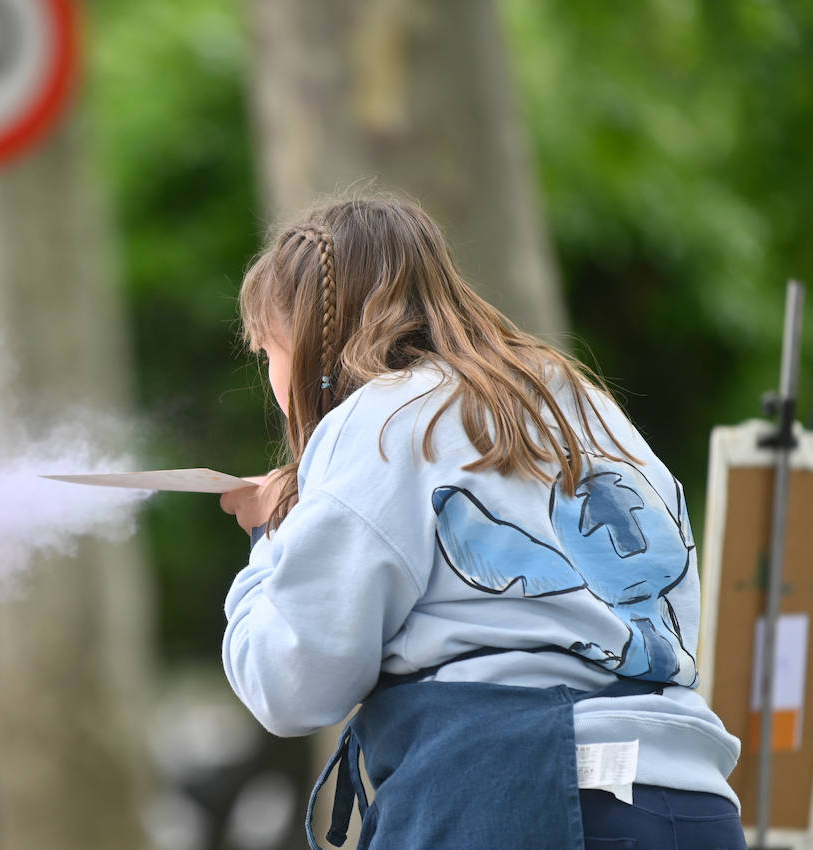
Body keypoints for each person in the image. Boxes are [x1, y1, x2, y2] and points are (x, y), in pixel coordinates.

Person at [218, 195, 744, 850]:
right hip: (690, 805)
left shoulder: (377, 420)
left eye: (269, 349)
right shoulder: (588, 406)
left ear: (310, 343)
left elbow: (290, 684)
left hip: (511, 800)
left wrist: (272, 540)